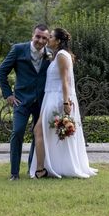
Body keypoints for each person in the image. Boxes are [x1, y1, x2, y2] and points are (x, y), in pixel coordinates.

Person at [30, 28, 97, 179]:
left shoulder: (61, 55)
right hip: (52, 97)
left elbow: (65, 81)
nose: (48, 39)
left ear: (58, 41)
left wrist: (66, 103)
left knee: (39, 130)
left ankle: (42, 169)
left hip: (57, 98)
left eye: (51, 37)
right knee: (46, 132)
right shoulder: (57, 55)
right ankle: (48, 167)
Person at [0, 24, 51, 181]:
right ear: (32, 35)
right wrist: (8, 94)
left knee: (38, 135)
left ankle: (32, 169)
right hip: (21, 100)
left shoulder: (50, 54)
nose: (40, 40)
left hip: (42, 101)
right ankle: (14, 173)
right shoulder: (18, 49)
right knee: (17, 132)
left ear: (48, 40)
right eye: (38, 36)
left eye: (44, 38)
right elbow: (2, 71)